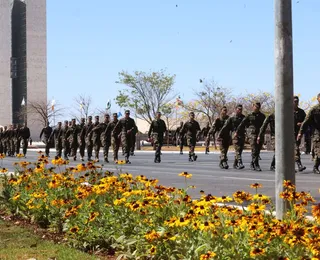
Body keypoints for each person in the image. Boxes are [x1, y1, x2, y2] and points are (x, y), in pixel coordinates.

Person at [236, 102, 266, 171]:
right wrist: (237, 131)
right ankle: (256, 164)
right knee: (254, 149)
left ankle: (252, 163)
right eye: (255, 107)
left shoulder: (262, 116)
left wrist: (262, 134)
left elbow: (264, 126)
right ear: (253, 107)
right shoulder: (249, 115)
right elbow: (242, 124)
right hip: (251, 134)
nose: (256, 108)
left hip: (259, 134)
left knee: (257, 150)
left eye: (258, 107)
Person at [298, 93, 320, 174]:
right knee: (319, 151)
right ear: (318, 99)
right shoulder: (314, 110)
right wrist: (300, 132)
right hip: (317, 133)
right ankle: (315, 167)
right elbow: (306, 122)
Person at [219, 104, 246, 169]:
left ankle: (235, 163)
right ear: (236, 109)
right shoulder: (231, 118)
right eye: (239, 109)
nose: (240, 110)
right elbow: (225, 127)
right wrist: (220, 135)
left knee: (240, 150)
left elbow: (247, 126)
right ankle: (240, 162)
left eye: (241, 109)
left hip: (242, 135)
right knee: (237, 150)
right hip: (235, 135)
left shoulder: (244, 117)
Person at [293, 96, 307, 172]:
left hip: (297, 133)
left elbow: (306, 122)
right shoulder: (287, 111)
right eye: (294, 101)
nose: (296, 103)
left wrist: (301, 124)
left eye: (297, 101)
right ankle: (299, 165)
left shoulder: (301, 112)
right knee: (295, 149)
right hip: (289, 133)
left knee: (294, 150)